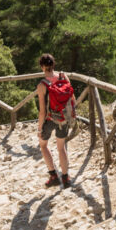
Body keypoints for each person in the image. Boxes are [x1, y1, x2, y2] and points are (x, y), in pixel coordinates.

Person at [36, 53, 70, 188]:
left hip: (50, 119)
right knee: (61, 148)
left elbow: (42, 111)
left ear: (42, 67)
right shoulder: (63, 76)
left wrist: (39, 128)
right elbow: (71, 98)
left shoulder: (42, 85)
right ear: (53, 64)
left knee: (43, 145)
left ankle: (53, 176)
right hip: (63, 118)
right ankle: (66, 178)